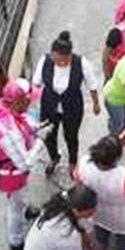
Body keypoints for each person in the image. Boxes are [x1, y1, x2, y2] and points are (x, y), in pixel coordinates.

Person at [0, 78, 47, 250]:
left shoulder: (0, 106)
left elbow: (22, 121)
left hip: (9, 168)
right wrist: (41, 141)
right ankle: (16, 240)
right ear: (18, 101)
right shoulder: (8, 132)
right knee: (15, 206)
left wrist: (37, 127)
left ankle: (27, 209)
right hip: (10, 174)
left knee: (19, 197)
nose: (31, 102)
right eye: (28, 99)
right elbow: (24, 164)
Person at [32, 31, 102, 176]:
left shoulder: (81, 63)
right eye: (58, 60)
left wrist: (96, 103)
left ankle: (72, 162)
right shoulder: (45, 61)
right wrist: (31, 104)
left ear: (70, 55)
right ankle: (54, 157)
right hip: (49, 106)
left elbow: (92, 85)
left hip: (72, 106)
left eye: (65, 60)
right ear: (52, 54)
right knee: (49, 136)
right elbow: (36, 84)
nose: (62, 63)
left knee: (71, 136)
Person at [22, 185, 104, 250]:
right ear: (76, 210)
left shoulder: (61, 204)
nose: (95, 212)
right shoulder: (67, 235)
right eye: (91, 210)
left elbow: (81, 230)